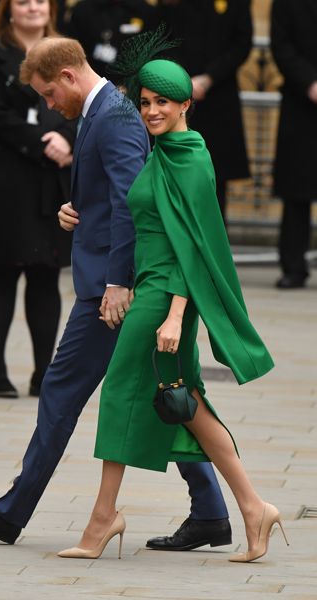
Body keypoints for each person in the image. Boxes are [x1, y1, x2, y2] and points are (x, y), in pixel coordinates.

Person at [0, 36, 233, 552]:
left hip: (113, 289)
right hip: (117, 280)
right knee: (160, 392)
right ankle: (212, 510)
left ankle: (11, 513)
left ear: (71, 77)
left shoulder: (115, 116)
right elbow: (122, 195)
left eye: (50, 94)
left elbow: (129, 203)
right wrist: (77, 208)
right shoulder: (106, 111)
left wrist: (117, 282)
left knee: (61, 389)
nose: (49, 105)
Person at [56, 54, 288, 564]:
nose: (152, 111)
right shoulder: (161, 151)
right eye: (145, 102)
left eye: (164, 102)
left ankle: (102, 519)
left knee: (121, 392)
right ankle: (254, 507)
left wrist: (176, 315)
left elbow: (195, 245)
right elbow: (137, 215)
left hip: (166, 297)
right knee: (190, 407)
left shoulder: (190, 156)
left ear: (187, 103)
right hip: (151, 288)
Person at [0, 0, 76, 398]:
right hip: (4, 180)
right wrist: (43, 142)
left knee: (45, 273)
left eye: (40, 1)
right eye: (23, 1)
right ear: (8, 9)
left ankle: (44, 373)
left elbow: (86, 104)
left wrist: (68, 139)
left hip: (52, 182)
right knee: (3, 270)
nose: (32, 7)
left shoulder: (69, 52)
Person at [158, 0, 252, 221]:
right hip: (175, 95)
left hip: (219, 99)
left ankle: (213, 249)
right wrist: (181, 80)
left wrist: (209, 77)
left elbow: (242, 43)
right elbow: (162, 37)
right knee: (175, 175)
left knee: (215, 180)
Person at [271, 0, 317, 289]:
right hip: (301, 104)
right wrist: (310, 82)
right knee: (297, 190)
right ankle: (293, 265)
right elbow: (281, 44)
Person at [65, 0, 157, 81]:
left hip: (128, 85)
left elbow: (150, 56)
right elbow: (72, 53)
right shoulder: (83, 9)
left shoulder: (146, 12)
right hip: (88, 81)